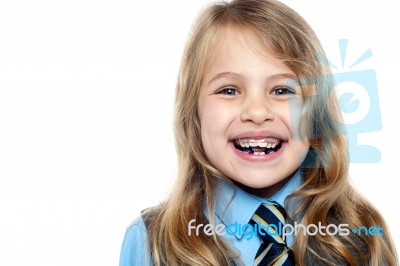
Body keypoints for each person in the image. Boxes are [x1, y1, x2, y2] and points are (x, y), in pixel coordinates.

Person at [119, 0, 398, 265]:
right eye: (229, 90)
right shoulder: (149, 243)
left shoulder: (364, 234)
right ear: (195, 114)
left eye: (282, 90)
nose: (256, 111)